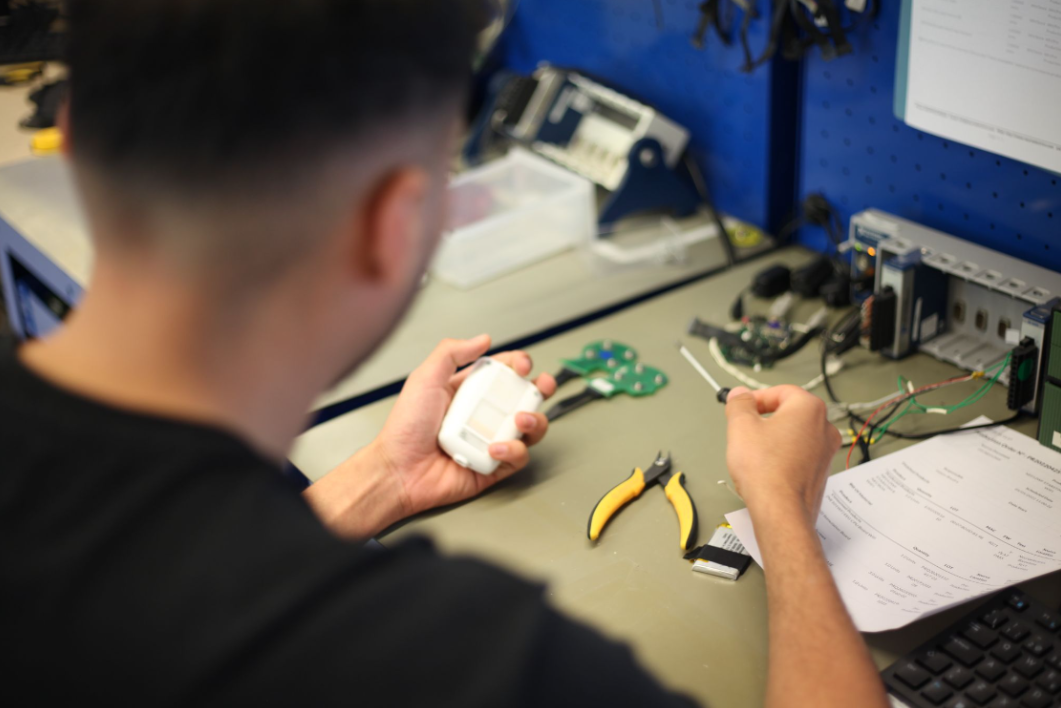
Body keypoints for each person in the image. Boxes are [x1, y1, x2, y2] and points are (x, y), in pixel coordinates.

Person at [0, 1, 888, 706]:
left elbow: (161, 596)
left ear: (73, 142)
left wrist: (382, 480)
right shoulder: (448, 663)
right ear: (396, 231)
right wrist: (781, 511)